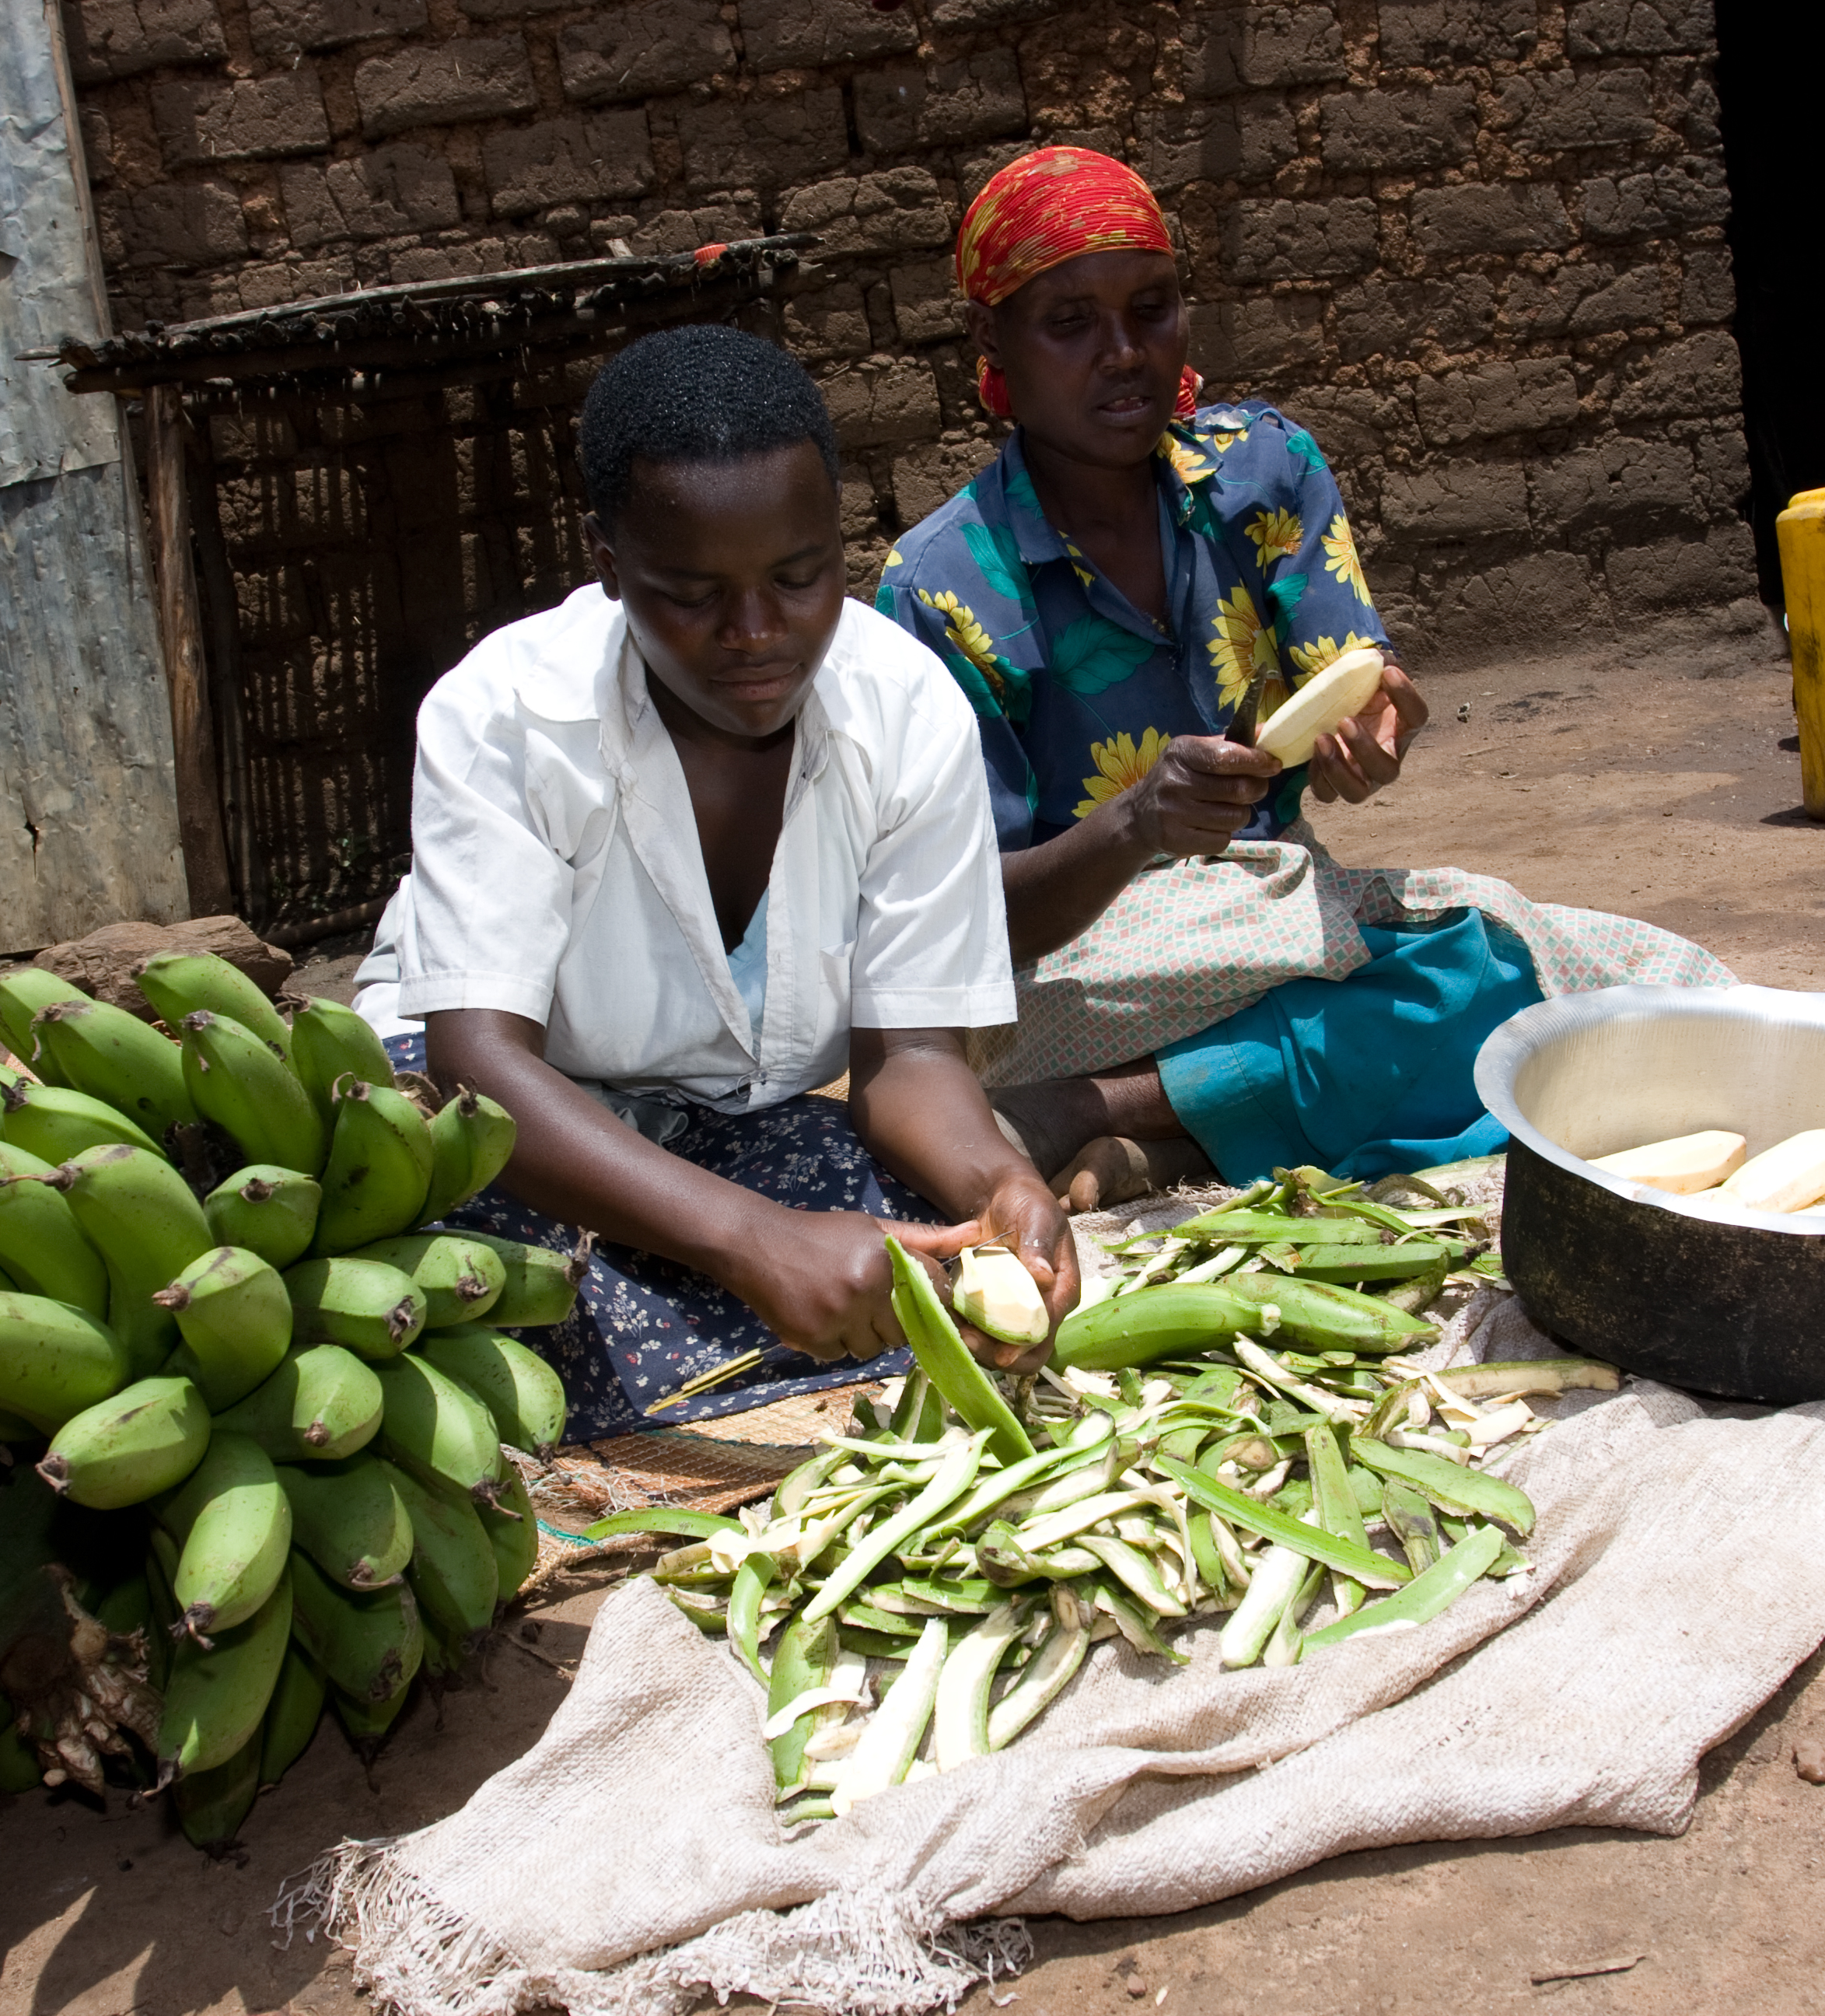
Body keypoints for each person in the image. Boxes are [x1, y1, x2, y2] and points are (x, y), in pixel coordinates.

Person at [350, 325, 1075, 1439]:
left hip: (725, 1123)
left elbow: (911, 1059)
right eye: (691, 592)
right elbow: (479, 1064)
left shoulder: (905, 709)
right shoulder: (504, 714)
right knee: (473, 1291)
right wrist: (749, 1240)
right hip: (507, 1116)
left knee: (911, 1245)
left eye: (799, 576)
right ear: (606, 561)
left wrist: (994, 1182)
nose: (755, 633)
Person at [876, 146, 1548, 1201]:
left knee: (1530, 972)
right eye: (1070, 324)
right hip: (1076, 978)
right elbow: (964, 926)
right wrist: (1136, 823)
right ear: (990, 338)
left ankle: (1135, 1118)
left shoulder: (1263, 474)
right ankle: (1201, 1102)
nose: (1124, 354)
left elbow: (1363, 681)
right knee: (1475, 994)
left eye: (1152, 309)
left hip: (1268, 930)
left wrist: (1381, 722)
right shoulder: (941, 590)